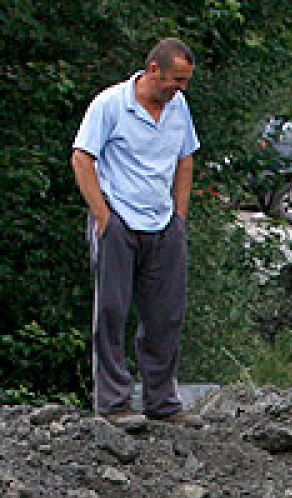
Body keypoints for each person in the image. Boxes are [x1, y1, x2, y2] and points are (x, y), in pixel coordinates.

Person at [71, 37, 202, 430]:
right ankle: (113, 403)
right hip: (119, 222)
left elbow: (185, 157)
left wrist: (179, 216)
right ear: (153, 71)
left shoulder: (179, 108)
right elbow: (82, 157)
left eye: (185, 81)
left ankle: (162, 401)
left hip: (162, 224)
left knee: (166, 314)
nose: (180, 88)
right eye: (175, 80)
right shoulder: (111, 104)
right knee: (112, 311)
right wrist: (102, 215)